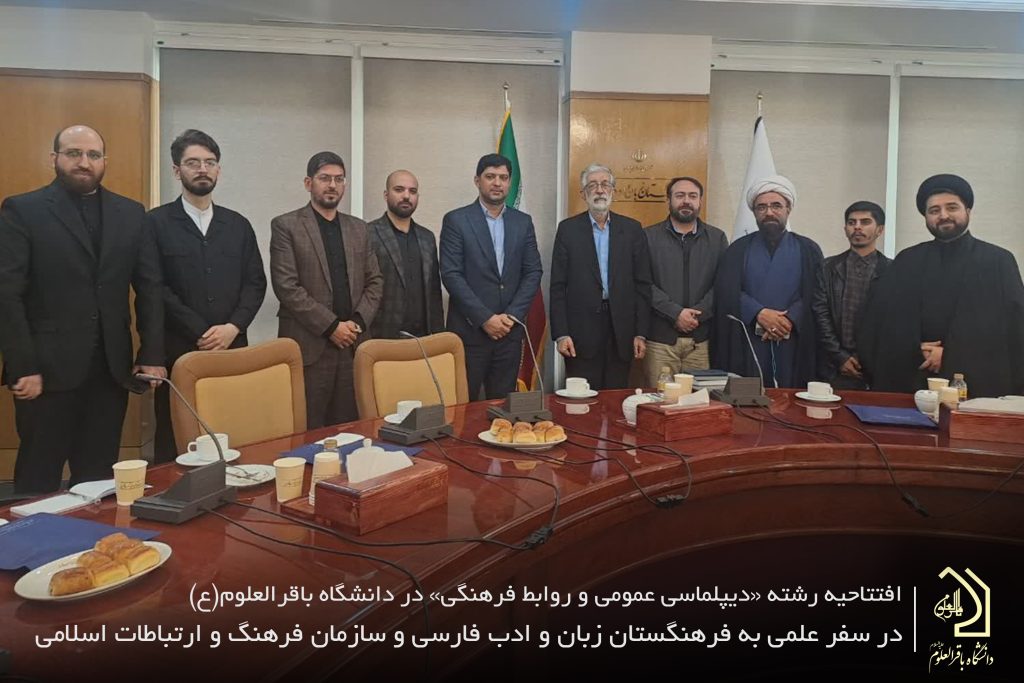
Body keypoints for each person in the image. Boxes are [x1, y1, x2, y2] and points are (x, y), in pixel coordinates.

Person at [0, 125, 165, 493]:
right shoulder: (23, 210)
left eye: (93, 155)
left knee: (98, 481)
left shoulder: (131, 213)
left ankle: (90, 533)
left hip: (110, 371)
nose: (84, 162)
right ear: (54, 158)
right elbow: (7, 294)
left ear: (104, 161)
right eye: (73, 153)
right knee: (37, 480)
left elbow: (150, 288)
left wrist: (152, 354)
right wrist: (23, 365)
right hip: (45, 373)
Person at [149, 129, 266, 462]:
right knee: (176, 440)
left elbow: (255, 283)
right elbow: (154, 287)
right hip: (180, 350)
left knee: (233, 431)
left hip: (232, 348)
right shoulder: (155, 223)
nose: (202, 169)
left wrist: (233, 327)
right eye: (193, 162)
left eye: (210, 162)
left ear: (218, 170)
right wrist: (200, 330)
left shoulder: (238, 225)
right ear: (177, 170)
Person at [859, 174, 1024, 397]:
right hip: (912, 380)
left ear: (968, 211)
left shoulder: (998, 261)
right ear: (926, 217)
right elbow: (880, 324)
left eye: (952, 207)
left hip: (977, 385)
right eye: (934, 210)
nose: (943, 215)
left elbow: (1012, 332)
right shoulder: (908, 260)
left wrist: (951, 355)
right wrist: (914, 349)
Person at [269, 151, 382, 428]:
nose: (332, 185)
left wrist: (356, 323)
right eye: (324, 178)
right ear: (308, 183)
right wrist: (332, 327)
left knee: (352, 428)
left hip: (353, 345)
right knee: (307, 430)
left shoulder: (359, 229)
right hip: (310, 347)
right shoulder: (286, 226)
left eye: (339, 179)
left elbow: (375, 281)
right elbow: (287, 286)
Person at [439, 153, 543, 399]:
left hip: (509, 333)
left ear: (509, 183)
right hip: (470, 333)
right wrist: (485, 318)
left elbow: (533, 271)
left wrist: (512, 316)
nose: (497, 183)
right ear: (477, 181)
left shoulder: (523, 222)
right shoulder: (457, 220)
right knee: (464, 407)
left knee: (503, 406)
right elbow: (451, 274)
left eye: (503, 178)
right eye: (490, 177)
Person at [712, 175, 823, 388]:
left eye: (776, 206)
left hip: (792, 339)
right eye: (761, 207)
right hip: (747, 338)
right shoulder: (738, 249)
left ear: (788, 209)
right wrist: (759, 313)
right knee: (747, 398)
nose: (769, 212)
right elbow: (727, 290)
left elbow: (815, 292)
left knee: (791, 399)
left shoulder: (808, 249)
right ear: (754, 212)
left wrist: (788, 319)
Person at [550, 163, 651, 390]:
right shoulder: (568, 230)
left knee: (616, 397)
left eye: (605, 184)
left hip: (622, 332)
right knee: (581, 400)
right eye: (592, 185)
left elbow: (643, 285)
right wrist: (561, 334)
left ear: (613, 190)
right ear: (583, 193)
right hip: (579, 334)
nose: (599, 190)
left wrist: (641, 333)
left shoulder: (632, 230)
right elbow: (558, 286)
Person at [643, 176, 728, 387]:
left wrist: (697, 315)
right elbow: (643, 283)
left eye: (692, 196)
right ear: (668, 200)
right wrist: (675, 313)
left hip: (701, 341)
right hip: (660, 342)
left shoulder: (717, 238)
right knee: (659, 400)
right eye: (680, 195)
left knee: (699, 401)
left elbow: (723, 284)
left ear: (700, 201)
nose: (686, 201)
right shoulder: (648, 237)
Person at [812, 201, 890, 390]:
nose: (857, 227)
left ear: (879, 230)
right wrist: (840, 357)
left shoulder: (893, 270)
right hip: (833, 365)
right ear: (845, 229)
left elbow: (892, 321)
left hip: (876, 366)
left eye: (865, 222)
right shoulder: (827, 267)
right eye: (852, 222)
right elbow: (820, 314)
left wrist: (866, 357)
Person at [366, 170, 443, 339]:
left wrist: (438, 335)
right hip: (382, 337)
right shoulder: (368, 233)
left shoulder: (427, 237)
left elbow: (434, 292)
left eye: (412, 191)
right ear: (386, 195)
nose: (406, 196)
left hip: (423, 338)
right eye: (399, 190)